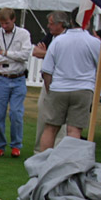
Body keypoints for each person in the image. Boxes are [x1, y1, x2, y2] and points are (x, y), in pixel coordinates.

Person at [38, 11, 99, 151]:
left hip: (59, 88)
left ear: (71, 21)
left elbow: (46, 70)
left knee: (51, 128)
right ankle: (69, 165)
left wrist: (49, 90)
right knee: (74, 130)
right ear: (87, 21)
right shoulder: (93, 42)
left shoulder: (58, 40)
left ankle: (42, 163)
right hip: (83, 89)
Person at [0, 7, 32, 157]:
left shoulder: (23, 34)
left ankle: (16, 145)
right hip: (1, 78)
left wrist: (6, 53)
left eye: (7, 23)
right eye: (2, 23)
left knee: (16, 113)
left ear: (13, 20)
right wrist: (14, 56)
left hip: (18, 78)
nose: (4, 26)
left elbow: (25, 55)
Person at [32, 11, 69, 152]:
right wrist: (49, 54)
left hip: (63, 84)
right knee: (43, 114)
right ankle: (39, 151)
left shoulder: (67, 38)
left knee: (60, 120)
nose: (48, 26)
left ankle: (58, 151)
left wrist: (47, 54)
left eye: (51, 23)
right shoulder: (50, 37)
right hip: (47, 82)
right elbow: (36, 51)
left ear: (60, 24)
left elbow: (64, 57)